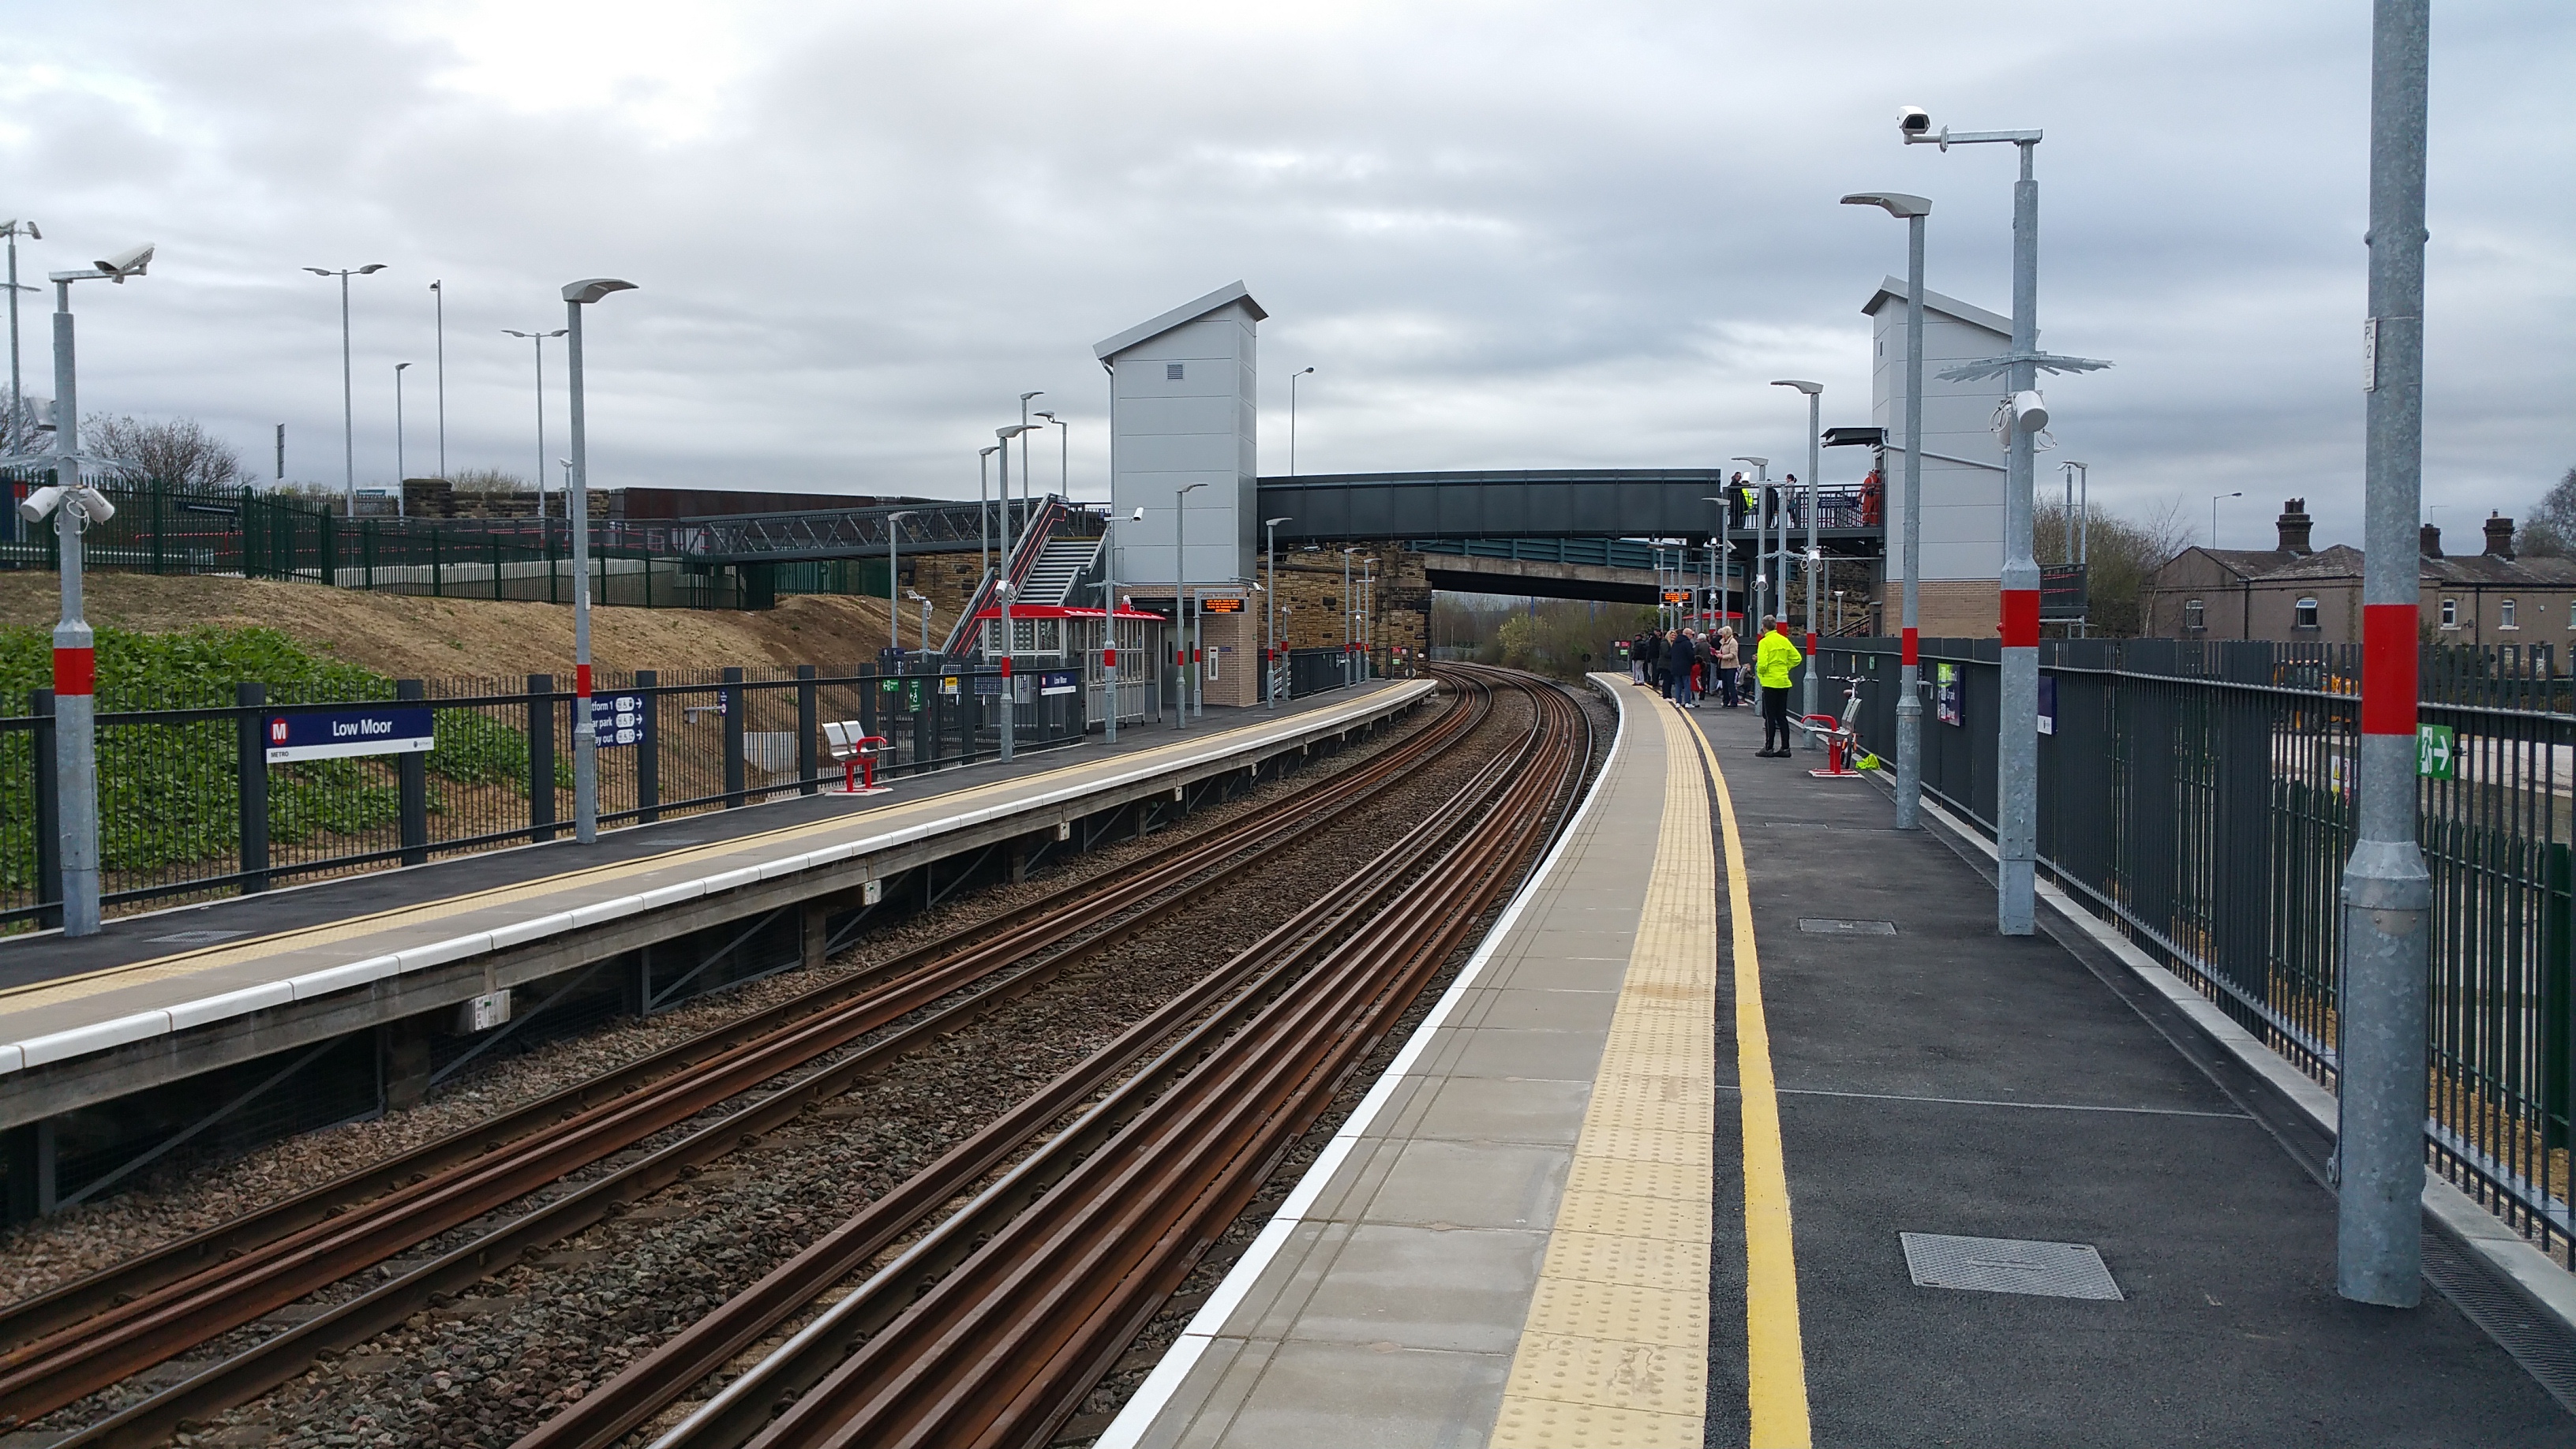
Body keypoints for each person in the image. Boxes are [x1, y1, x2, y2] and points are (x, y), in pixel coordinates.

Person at [1754, 614, 1803, 757]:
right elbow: (1797, 658)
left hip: (1770, 681)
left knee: (1770, 716)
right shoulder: (1784, 640)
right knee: (1782, 716)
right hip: (1783, 681)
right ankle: (1785, 748)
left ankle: (1768, 747)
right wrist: (1786, 667)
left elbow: (1762, 664)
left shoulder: (1764, 642)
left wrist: (1761, 671)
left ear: (1764, 627)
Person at [1669, 627, 1698, 707]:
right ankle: (1687, 702)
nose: (1692, 636)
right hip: (1685, 667)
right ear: (1686, 634)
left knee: (1678, 685)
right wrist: (1693, 662)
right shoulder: (1687, 643)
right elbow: (1691, 655)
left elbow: (1671, 654)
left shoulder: (1675, 643)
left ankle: (1678, 702)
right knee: (1687, 684)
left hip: (1675, 667)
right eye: (1691, 634)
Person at [1715, 625, 1741, 708]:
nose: (1722, 636)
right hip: (1723, 666)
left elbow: (1733, 654)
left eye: (1723, 634)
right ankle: (1726, 700)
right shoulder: (1724, 642)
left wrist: (1722, 657)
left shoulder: (1733, 642)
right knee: (1725, 684)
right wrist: (1717, 652)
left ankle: (1734, 701)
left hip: (1731, 666)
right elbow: (1724, 651)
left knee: (1730, 684)